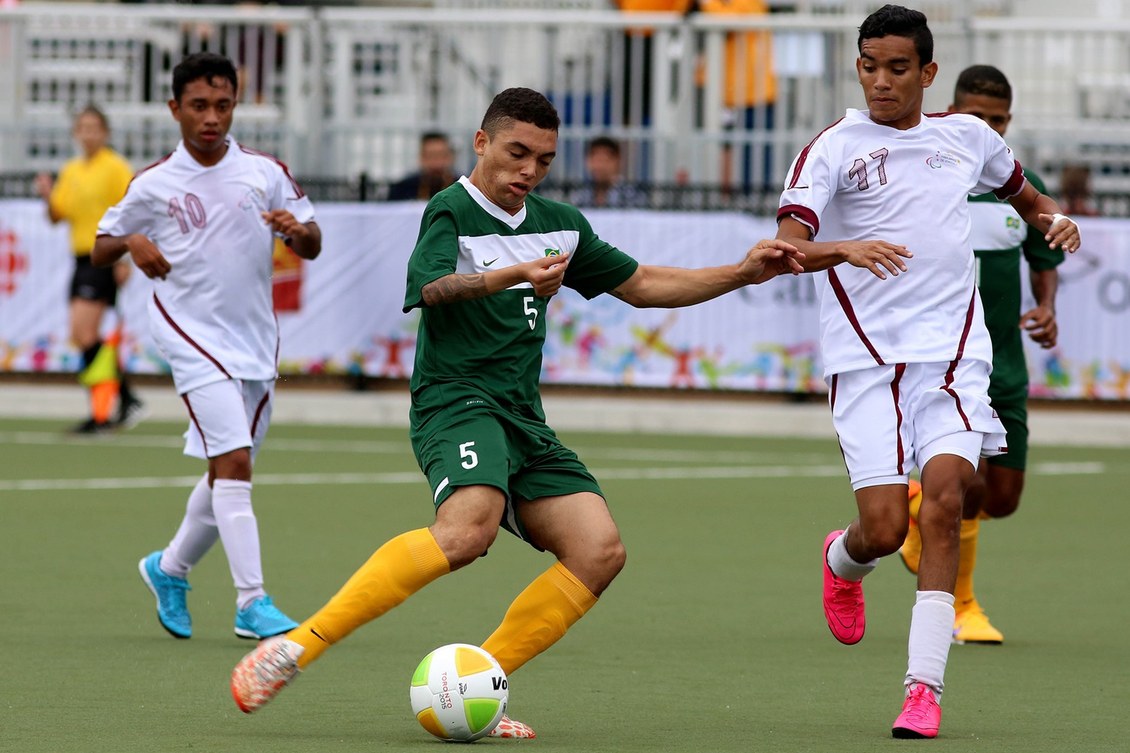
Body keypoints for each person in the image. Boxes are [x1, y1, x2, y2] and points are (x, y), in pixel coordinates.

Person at [230, 86, 803, 737]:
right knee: (467, 531)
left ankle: (479, 680)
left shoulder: (558, 222)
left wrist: (740, 271)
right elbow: (432, 288)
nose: (528, 170)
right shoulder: (450, 208)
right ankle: (296, 647)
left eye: (543, 160)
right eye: (516, 152)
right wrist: (516, 273)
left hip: (522, 416)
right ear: (482, 143)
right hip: (455, 399)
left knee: (599, 549)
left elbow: (642, 285)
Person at [774, 5, 1080, 739]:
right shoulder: (834, 147)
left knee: (946, 500)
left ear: (928, 73)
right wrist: (841, 248)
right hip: (864, 359)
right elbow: (783, 246)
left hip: (953, 356)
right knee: (884, 529)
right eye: (869, 66)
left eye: (898, 68)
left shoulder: (966, 138)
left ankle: (922, 689)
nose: (881, 81)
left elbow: (1025, 194)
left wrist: (1052, 220)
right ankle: (844, 560)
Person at [92, 52, 322, 641]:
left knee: (229, 469)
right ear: (175, 109)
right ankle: (252, 601)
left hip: (253, 340)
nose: (211, 117)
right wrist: (135, 241)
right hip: (189, 335)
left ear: (235, 105)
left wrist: (298, 233)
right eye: (198, 106)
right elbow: (100, 245)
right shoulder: (154, 182)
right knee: (235, 462)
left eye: (223, 104)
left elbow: (313, 241)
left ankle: (169, 568)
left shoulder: (264, 171)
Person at [897, 65, 1066, 646]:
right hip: (949, 359)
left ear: (1008, 122)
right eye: (975, 117)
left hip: (1007, 365)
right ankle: (963, 606)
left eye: (996, 120)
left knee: (1004, 498)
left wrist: (1046, 308)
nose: (986, 128)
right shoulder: (930, 177)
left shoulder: (1022, 186)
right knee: (963, 489)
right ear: (952, 110)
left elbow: (1045, 266)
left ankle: (921, 509)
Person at [35, 105, 144, 433]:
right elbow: (58, 216)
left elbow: (131, 209)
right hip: (81, 258)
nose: (89, 133)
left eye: (95, 127)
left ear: (105, 132)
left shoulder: (114, 167)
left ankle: (108, 409)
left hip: (105, 256)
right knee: (83, 336)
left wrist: (124, 258)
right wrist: (48, 197)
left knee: (84, 333)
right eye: (83, 127)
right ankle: (119, 401)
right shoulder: (72, 170)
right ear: (75, 133)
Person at [697, 0, 777, 192]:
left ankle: (752, 203)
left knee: (754, 159)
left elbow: (730, 20)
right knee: (721, 148)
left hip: (753, 92)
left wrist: (706, 5)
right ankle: (725, 199)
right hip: (724, 91)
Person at [571, 136, 647, 209]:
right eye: (595, 160)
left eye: (604, 160)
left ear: (617, 161)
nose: (599, 166)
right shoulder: (579, 195)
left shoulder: (632, 195)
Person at [387, 132, 457, 201]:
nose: (436, 162)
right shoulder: (404, 188)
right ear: (421, 158)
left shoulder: (460, 186)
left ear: (450, 157)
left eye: (441, 155)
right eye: (430, 156)